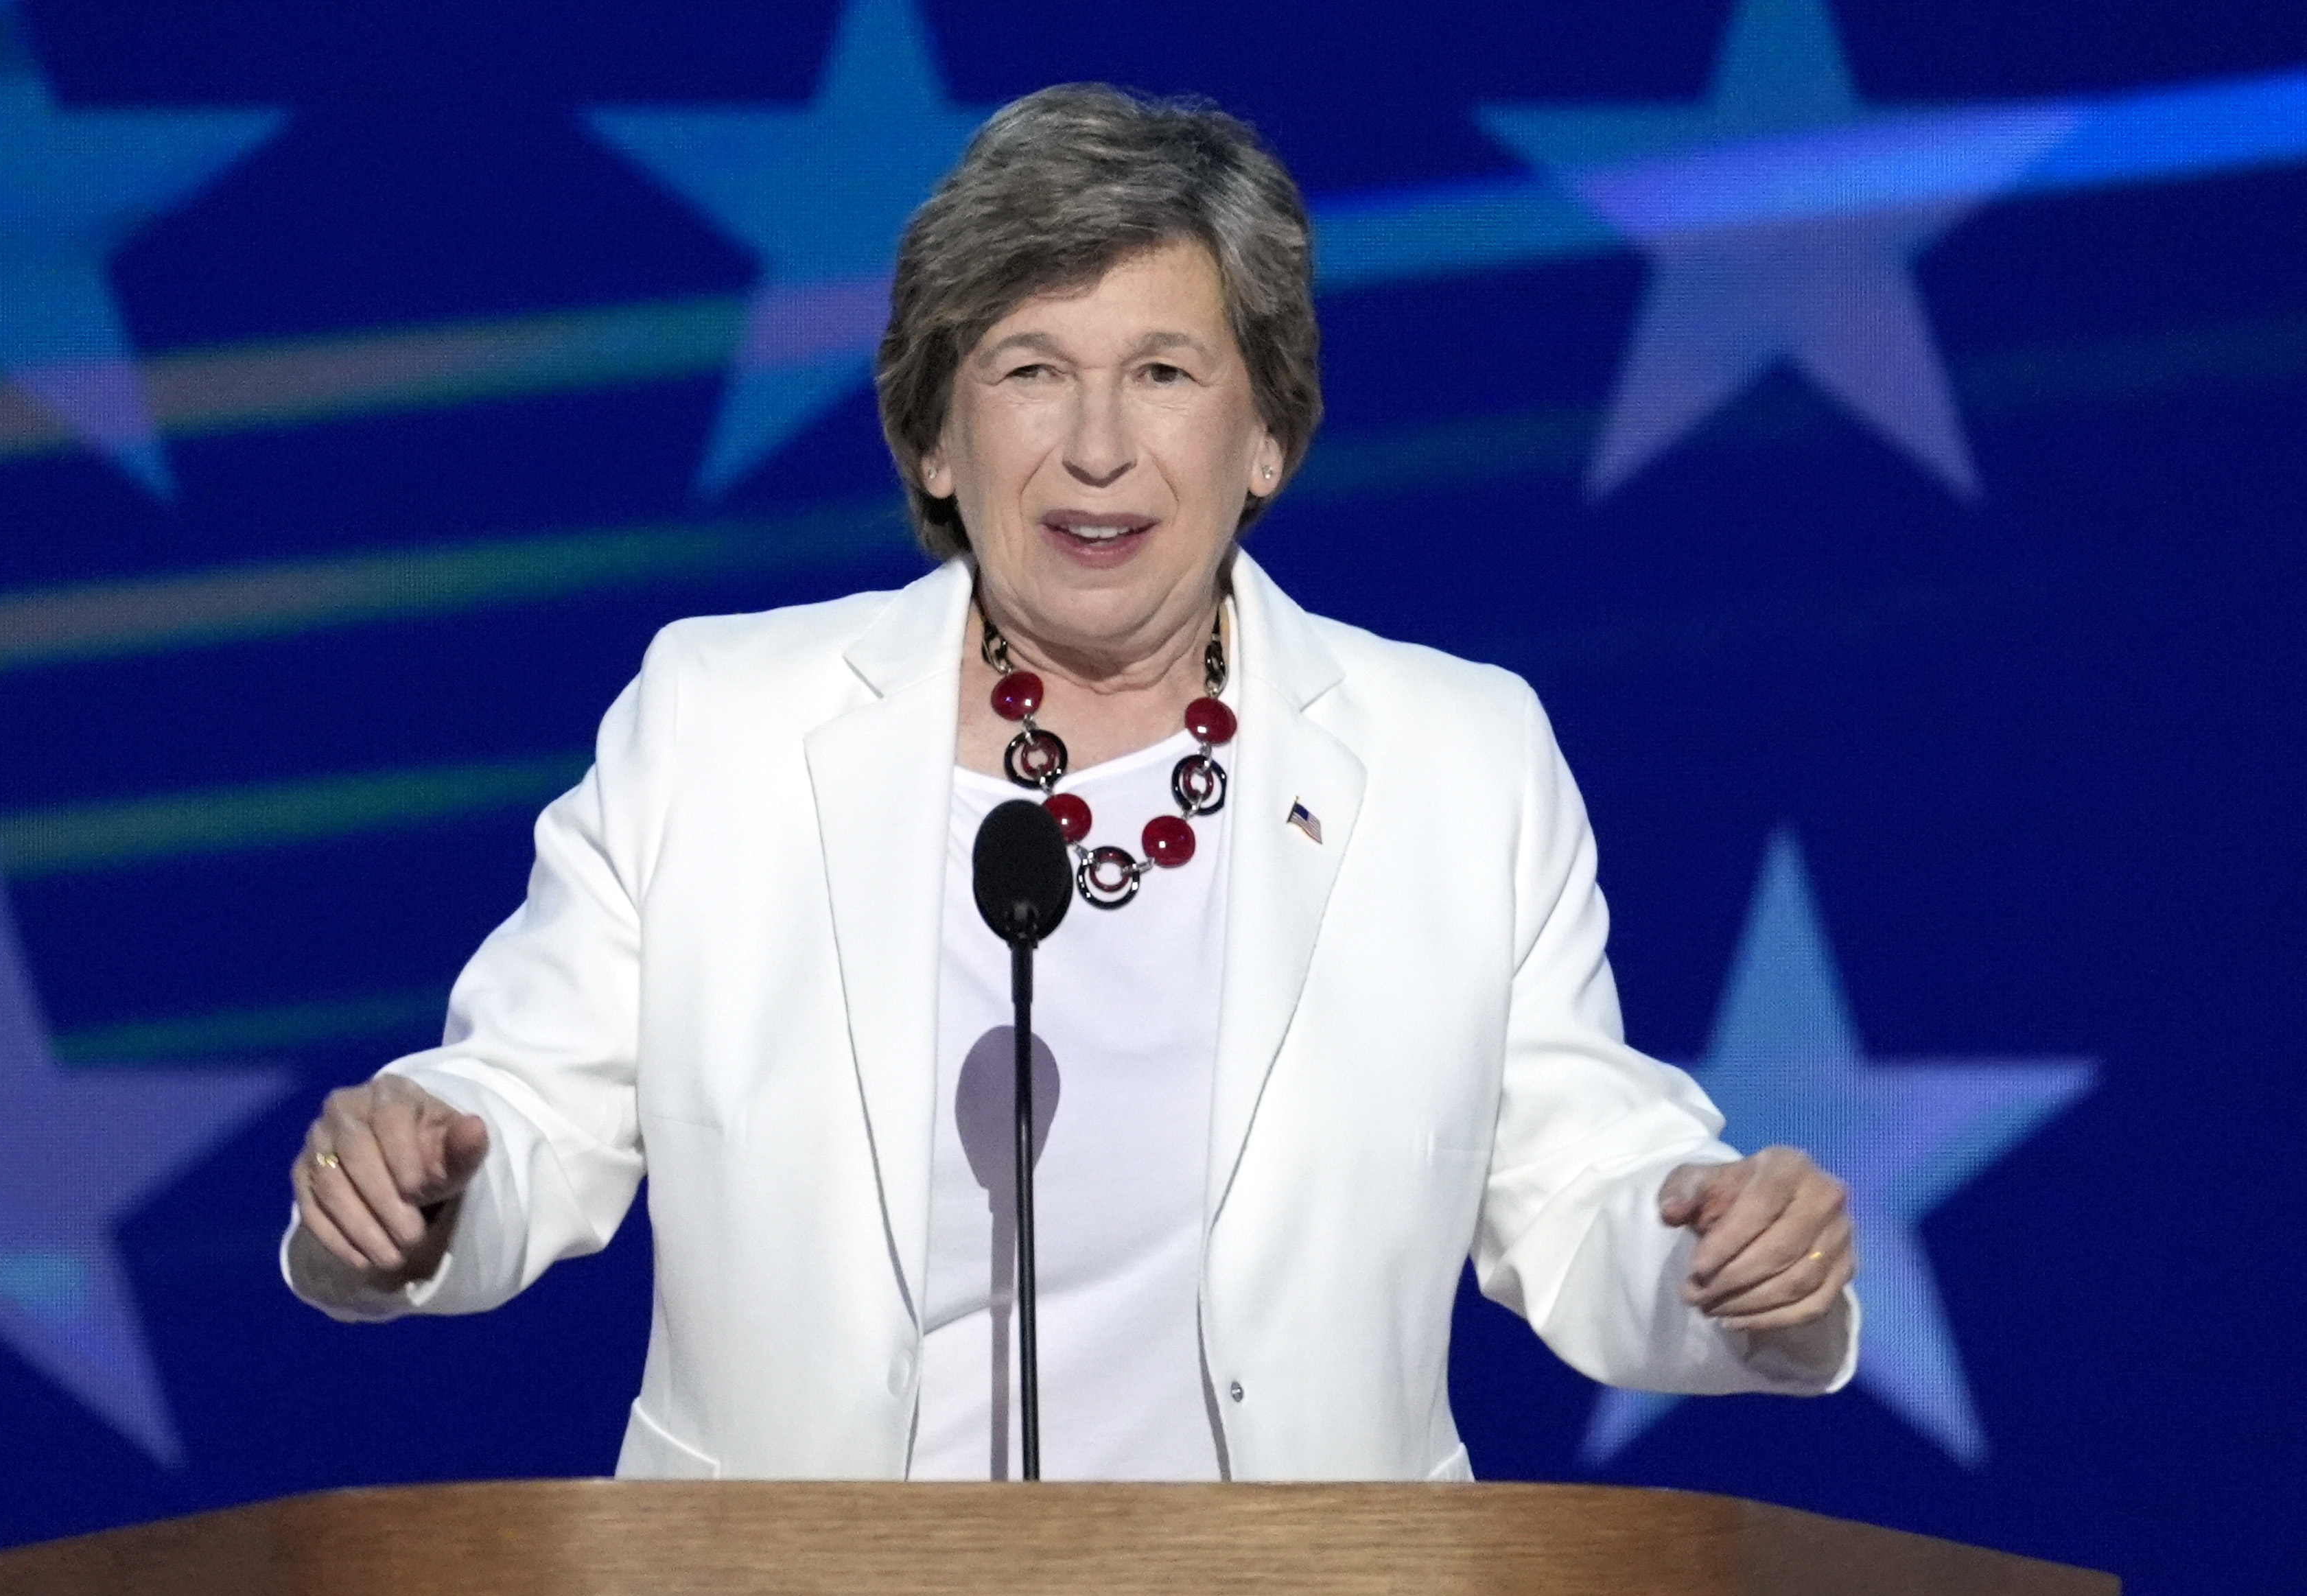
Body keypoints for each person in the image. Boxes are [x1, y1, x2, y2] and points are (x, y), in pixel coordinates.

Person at [284, 84, 1857, 1481]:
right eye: (1032, 368)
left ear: (1268, 438)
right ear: (937, 442)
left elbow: (1584, 1181)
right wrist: (427, 1178)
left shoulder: (1457, 756)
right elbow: (528, 1107)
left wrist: (1725, 1249)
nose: (1097, 446)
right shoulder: (723, 723)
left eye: (1166, 372)